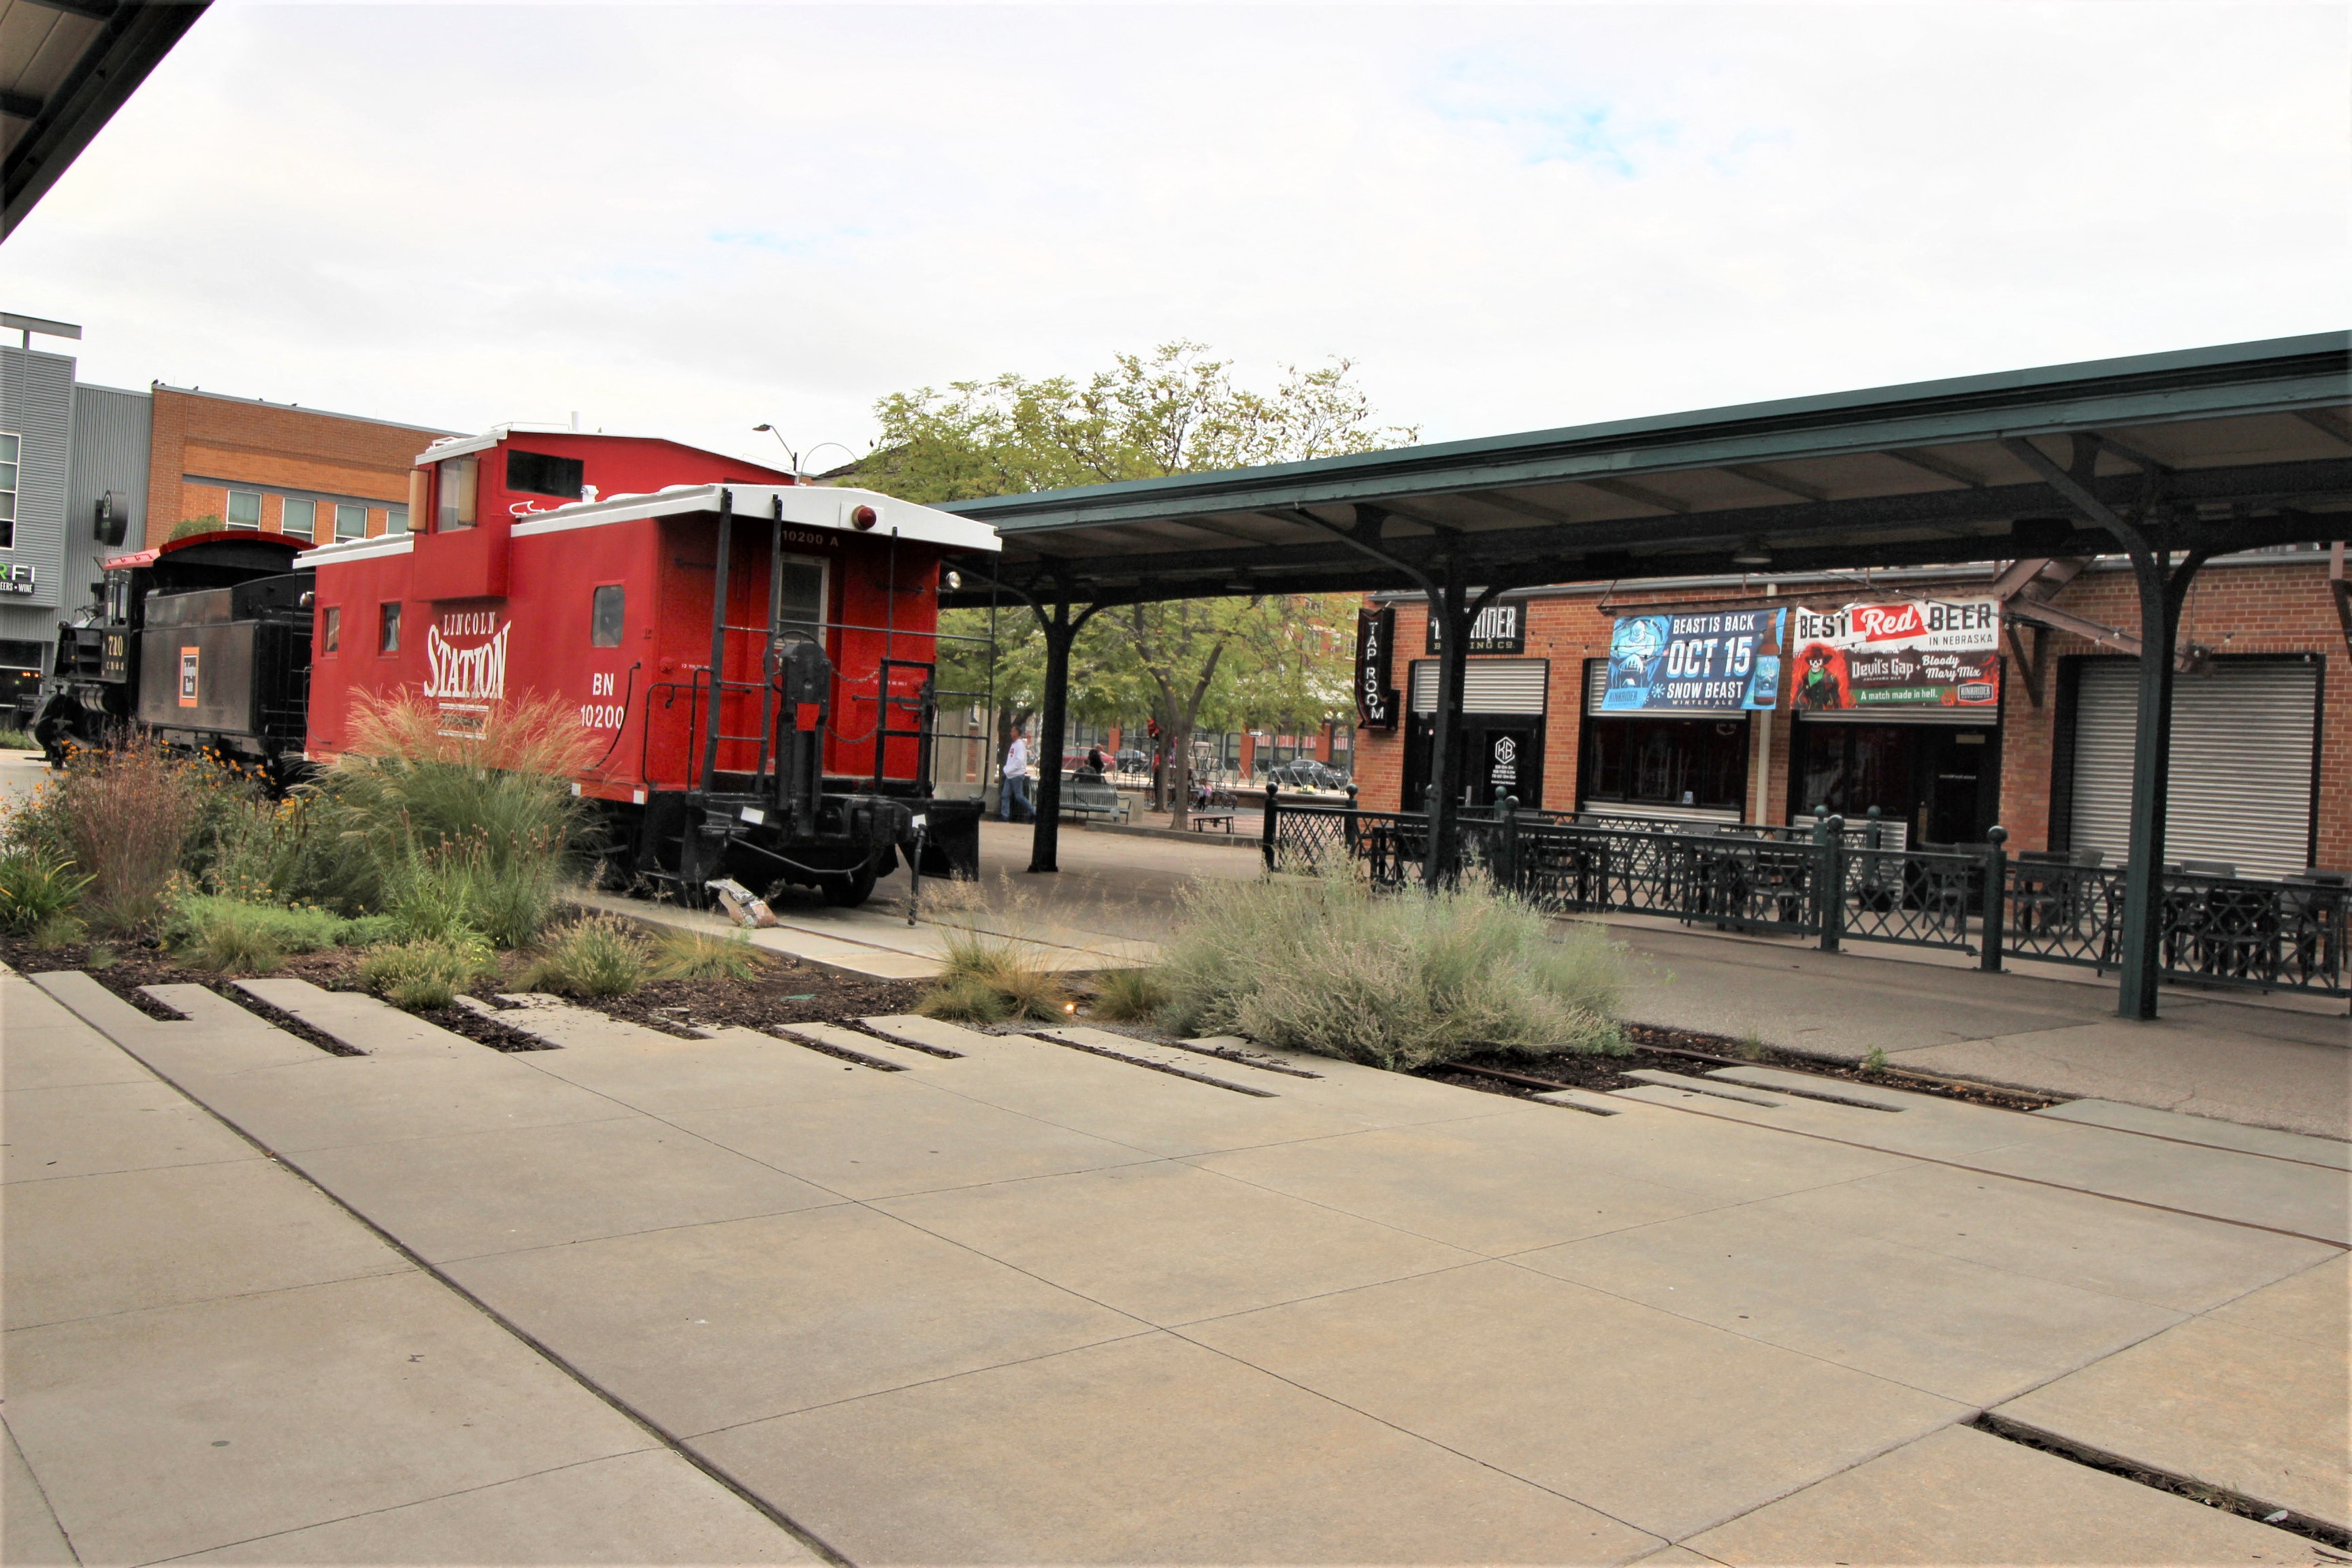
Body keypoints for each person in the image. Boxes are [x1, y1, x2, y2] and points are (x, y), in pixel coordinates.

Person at [1000, 732, 1032, 821]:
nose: (1010, 733)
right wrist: (1007, 770)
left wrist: (1010, 769)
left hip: (1016, 775)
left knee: (1019, 796)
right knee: (1005, 795)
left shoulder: (1020, 745)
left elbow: (1019, 760)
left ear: (1017, 733)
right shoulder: (1014, 744)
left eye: (1013, 731)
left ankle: (1033, 813)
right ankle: (1005, 817)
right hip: (1010, 775)